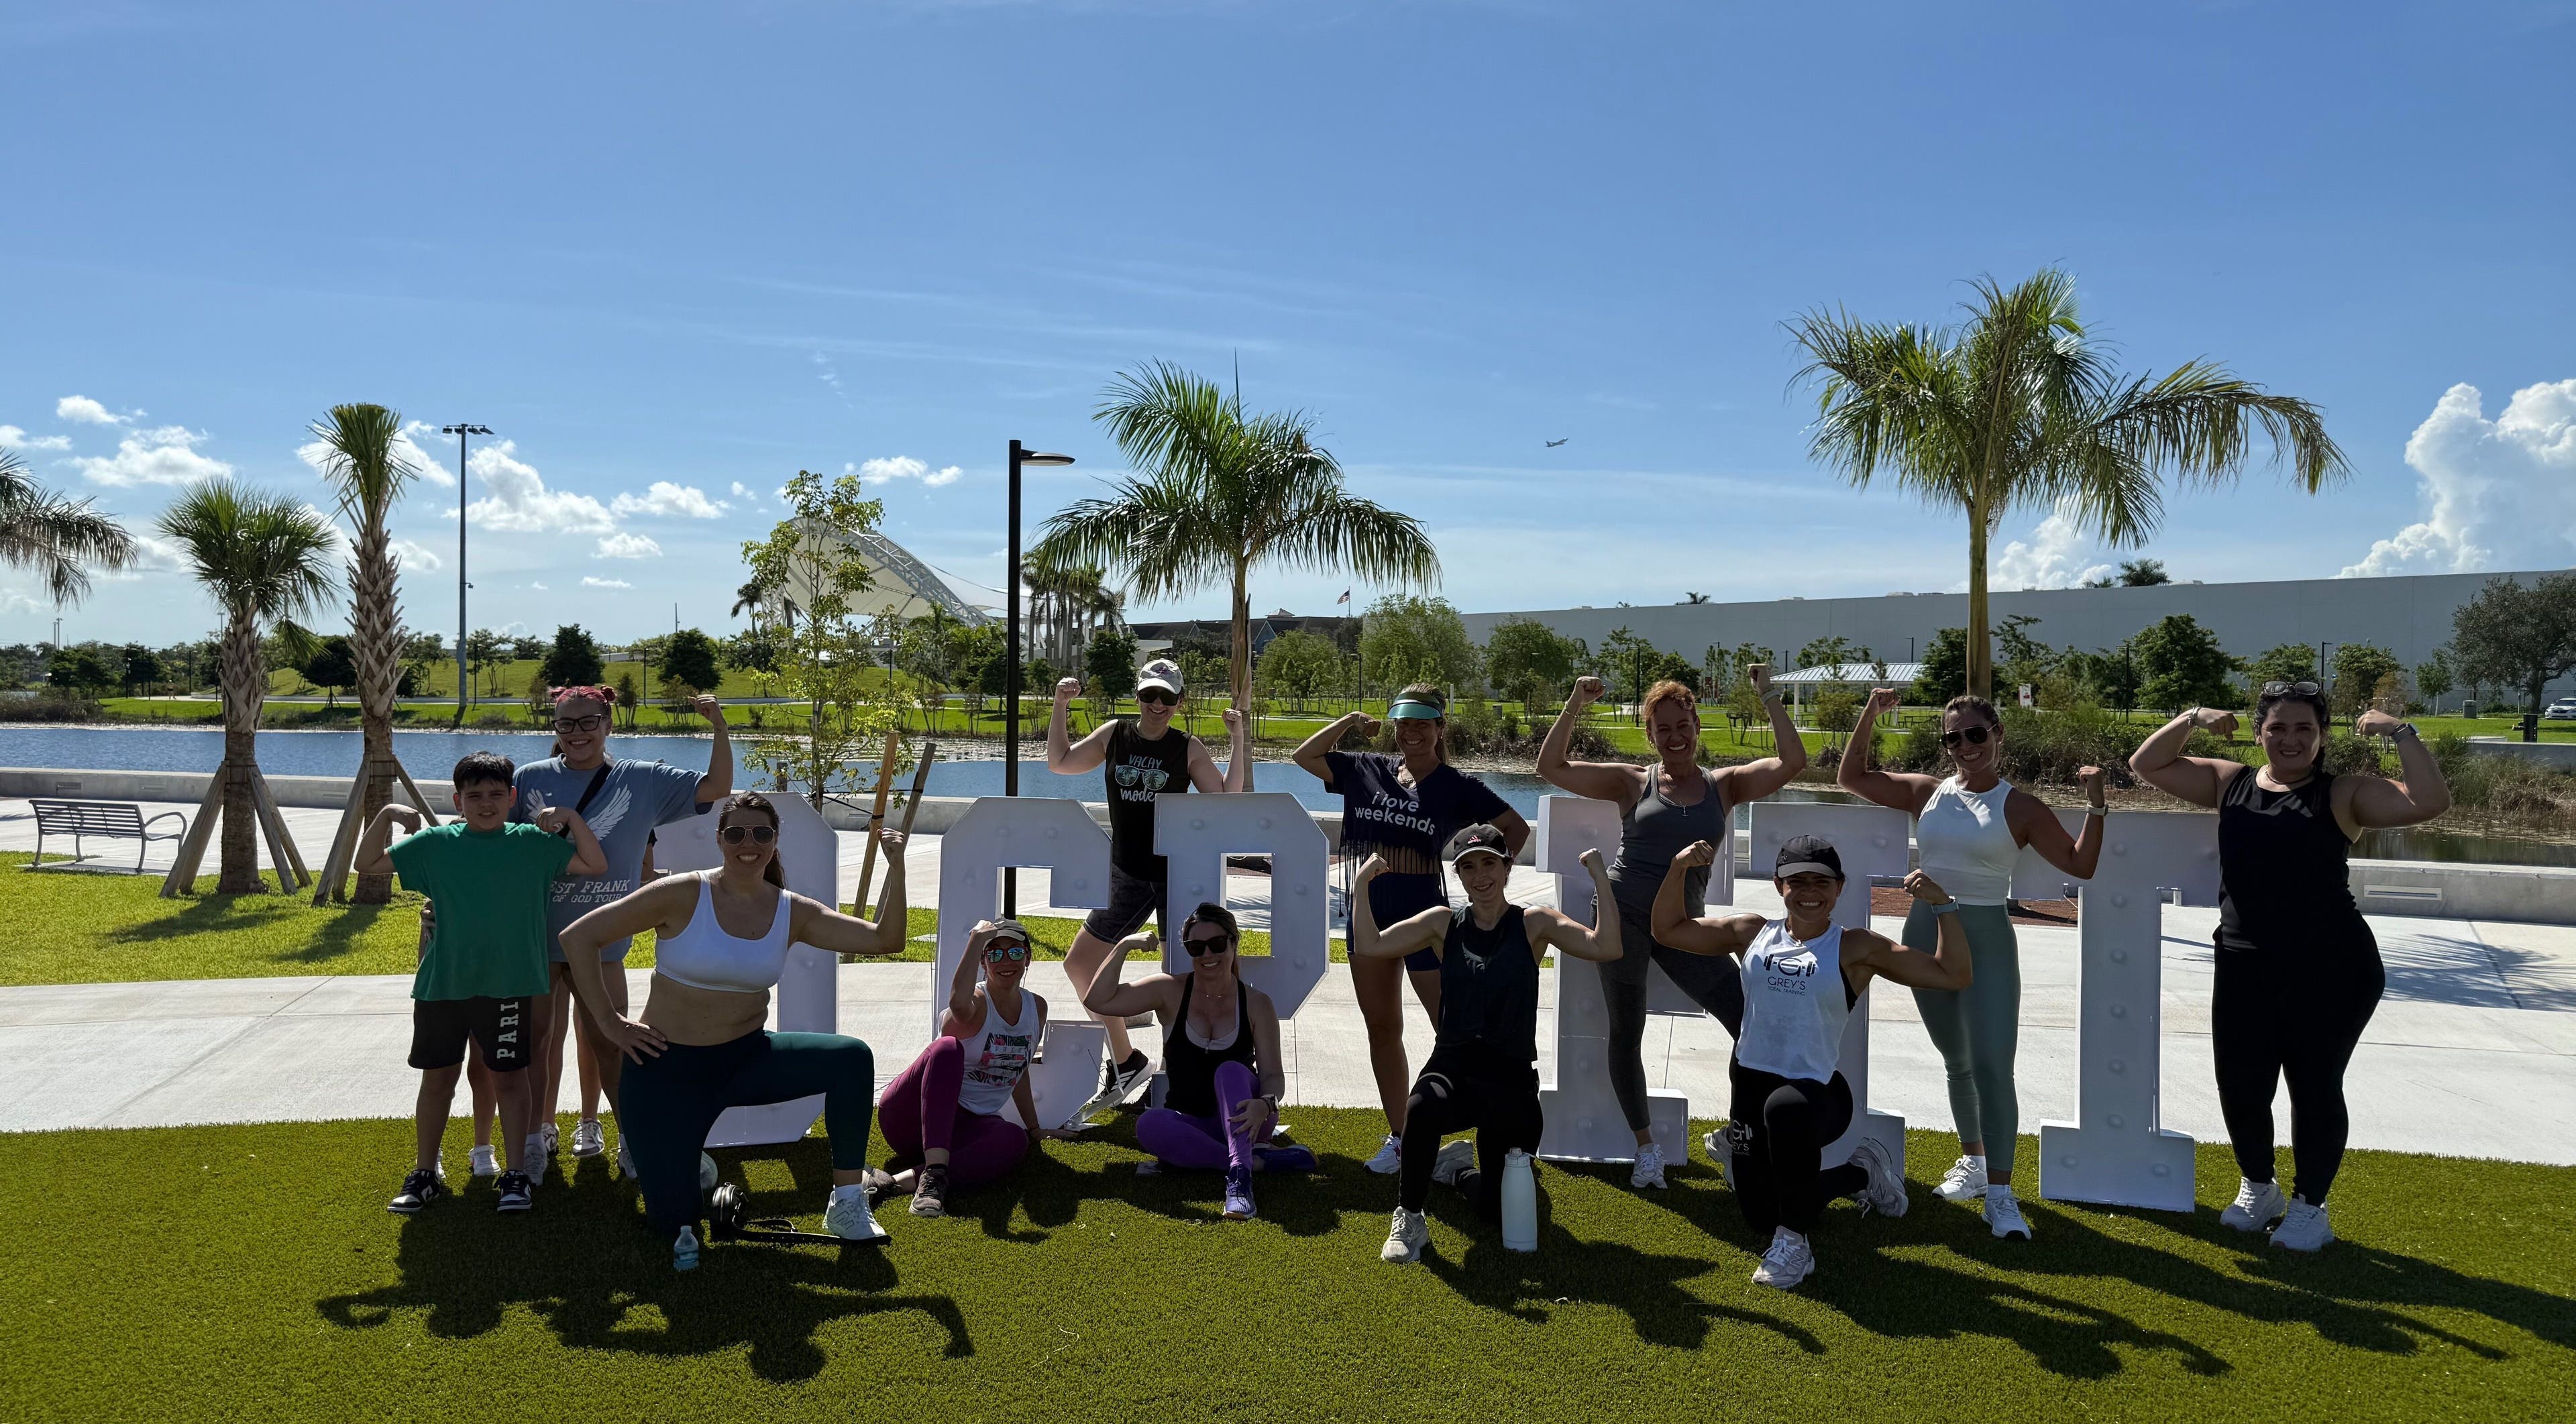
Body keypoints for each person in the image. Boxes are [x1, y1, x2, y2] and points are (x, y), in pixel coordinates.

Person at [2129, 686, 2449, 1252]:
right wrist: (2195, 716)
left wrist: (2401, 732)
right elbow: (2145, 763)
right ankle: (2259, 1185)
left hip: (2332, 967)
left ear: (2322, 736)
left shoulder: (2343, 793)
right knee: (2241, 1085)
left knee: (2314, 1086)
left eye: (2304, 728)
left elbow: (2430, 802)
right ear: (2259, 734)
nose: (2291, 739)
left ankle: (2310, 1206)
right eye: (2278, 728)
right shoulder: (2231, 782)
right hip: (2242, 959)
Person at [560, 793, 910, 1270]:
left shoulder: (792, 910)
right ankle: (690, 1167)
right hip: (667, 1069)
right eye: (737, 833)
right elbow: (578, 936)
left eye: (762, 833)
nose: (750, 843)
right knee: (674, 1224)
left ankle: (847, 1200)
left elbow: (884, 940)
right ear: (720, 839)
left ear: (775, 841)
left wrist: (897, 866)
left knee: (851, 1057)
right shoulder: (683, 893)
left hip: (746, 1059)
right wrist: (608, 1021)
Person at [1838, 688, 2106, 1238]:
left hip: (1985, 937)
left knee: (1991, 1063)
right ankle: (1976, 1164)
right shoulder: (1927, 794)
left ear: (1998, 733)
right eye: (1952, 737)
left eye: (1976, 734)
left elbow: (2082, 865)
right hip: (1924, 930)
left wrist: (2097, 803)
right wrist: (1871, 708)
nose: (1964, 746)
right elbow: (1853, 776)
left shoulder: (2020, 806)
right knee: (1956, 1060)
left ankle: (2003, 1195)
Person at [1651, 834, 1969, 1290]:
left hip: (1815, 1096)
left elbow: (1953, 974)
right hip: (1751, 1091)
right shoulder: (1751, 933)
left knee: (1786, 1116)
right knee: (1760, 1215)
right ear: (1779, 885)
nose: (1809, 891)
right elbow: (1668, 930)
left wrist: (1944, 906)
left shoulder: (1854, 947)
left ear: (1839, 888)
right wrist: (1678, 866)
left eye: (1821, 881)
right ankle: (1861, 1171)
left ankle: (1795, 1245)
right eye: (1797, 880)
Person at [1535, 668, 1806, 1189]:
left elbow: (1793, 761)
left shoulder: (1723, 786)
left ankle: (1734, 1136)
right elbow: (1551, 766)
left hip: (1682, 925)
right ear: (1650, 735)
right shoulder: (1631, 783)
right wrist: (1575, 700)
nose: (1675, 736)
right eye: (1663, 728)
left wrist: (1769, 693)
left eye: (1683, 724)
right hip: (1623, 914)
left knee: (1749, 1023)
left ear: (1698, 725)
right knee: (1626, 1029)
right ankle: (1646, 1149)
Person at [1356, 825, 1623, 1266]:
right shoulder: (1443, 924)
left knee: (1499, 1215)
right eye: (1468, 866)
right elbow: (1371, 943)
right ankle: (1410, 1217)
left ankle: (1458, 1170)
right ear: (1458, 875)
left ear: (1506, 867)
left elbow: (1607, 945)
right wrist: (1364, 882)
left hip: (1510, 1078)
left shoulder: (1534, 923)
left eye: (1488, 863)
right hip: (1454, 1067)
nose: (1479, 875)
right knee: (1420, 1106)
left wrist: (1600, 877)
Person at [1293, 684, 1532, 1176]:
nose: (1413, 732)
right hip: (1370, 913)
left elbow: (1516, 828)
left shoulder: (1456, 784)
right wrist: (1349, 721)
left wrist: (1483, 882)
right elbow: (1305, 755)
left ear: (1441, 728)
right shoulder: (1367, 769)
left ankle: (1495, 1128)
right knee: (1382, 1027)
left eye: (1424, 723)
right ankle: (1402, 1136)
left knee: (1458, 1029)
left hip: (1429, 916)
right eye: (1404, 723)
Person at [358, 752, 606, 1216]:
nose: (486, 803)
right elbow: (366, 863)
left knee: (510, 1079)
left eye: (496, 794)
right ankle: (425, 1172)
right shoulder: (436, 844)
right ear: (458, 800)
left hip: (509, 986)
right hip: (443, 986)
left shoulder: (532, 843)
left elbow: (593, 864)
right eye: (475, 796)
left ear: (512, 797)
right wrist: (389, 813)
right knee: (439, 1080)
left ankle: (515, 1174)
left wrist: (570, 816)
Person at [515, 684, 733, 1180]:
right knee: (537, 1041)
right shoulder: (528, 779)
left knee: (613, 1041)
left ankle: (630, 1139)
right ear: (555, 728)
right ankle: (535, 1135)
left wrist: (719, 726)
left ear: (608, 723)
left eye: (588, 722)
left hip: (602, 943)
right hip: (536, 938)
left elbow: (717, 787)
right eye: (566, 724)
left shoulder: (642, 779)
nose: (577, 733)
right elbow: (491, 844)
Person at [1047, 659, 1248, 1111]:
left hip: (1178, 877)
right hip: (1126, 875)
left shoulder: (1186, 747)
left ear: (1180, 702)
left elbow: (1227, 800)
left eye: (1168, 697)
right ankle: (1127, 1060)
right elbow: (1059, 763)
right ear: (1137, 695)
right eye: (1150, 695)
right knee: (1080, 965)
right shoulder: (1115, 734)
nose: (1158, 705)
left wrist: (1238, 738)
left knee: (1180, 982)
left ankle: (1172, 1082)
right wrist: (1060, 705)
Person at [1083, 902, 1313, 1222]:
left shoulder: (1257, 1004)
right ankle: (1256, 1162)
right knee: (1149, 1124)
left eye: (1217, 944)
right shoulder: (1170, 991)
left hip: (1248, 1120)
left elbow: (1273, 1075)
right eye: (1196, 947)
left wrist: (1266, 1103)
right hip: (1193, 1123)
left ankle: (1240, 1184)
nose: (1208, 955)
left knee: (1231, 1071)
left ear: (1234, 943)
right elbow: (1097, 1000)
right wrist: (1125, 946)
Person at [864, 918, 1077, 1219]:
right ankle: (935, 1176)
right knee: (947, 1048)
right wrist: (976, 938)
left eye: (1015, 952)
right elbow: (959, 1006)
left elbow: (1019, 1068)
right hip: (910, 1118)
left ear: (1028, 958)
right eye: (995, 954)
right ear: (983, 961)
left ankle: (892, 1183)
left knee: (1014, 1140)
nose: (1006, 961)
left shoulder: (1036, 1008)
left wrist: (1034, 1129)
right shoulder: (975, 1002)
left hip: (964, 1129)